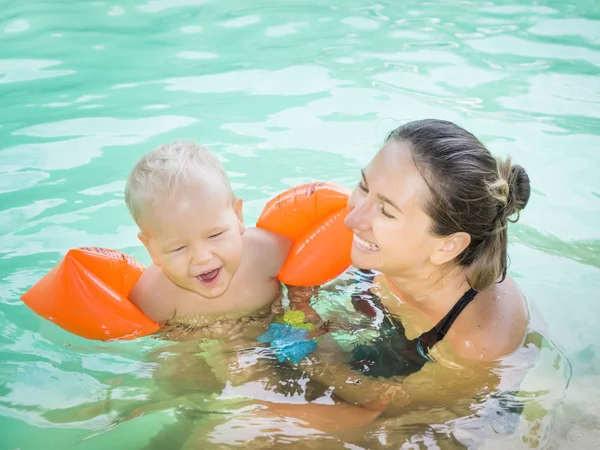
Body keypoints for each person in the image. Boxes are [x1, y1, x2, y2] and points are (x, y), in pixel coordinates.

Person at [255, 118, 535, 431]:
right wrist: (298, 305)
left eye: (386, 210)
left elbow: (377, 412)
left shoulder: (475, 347)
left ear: (447, 247)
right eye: (363, 186)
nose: (352, 218)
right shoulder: (394, 250)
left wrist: (302, 329)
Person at [124, 141, 318, 340]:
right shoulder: (153, 296)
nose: (201, 257)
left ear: (238, 216)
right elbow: (161, 339)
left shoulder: (266, 251)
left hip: (276, 322)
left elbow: (302, 276)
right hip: (211, 350)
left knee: (327, 354)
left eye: (214, 235)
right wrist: (198, 337)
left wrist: (300, 304)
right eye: (179, 248)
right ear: (151, 248)